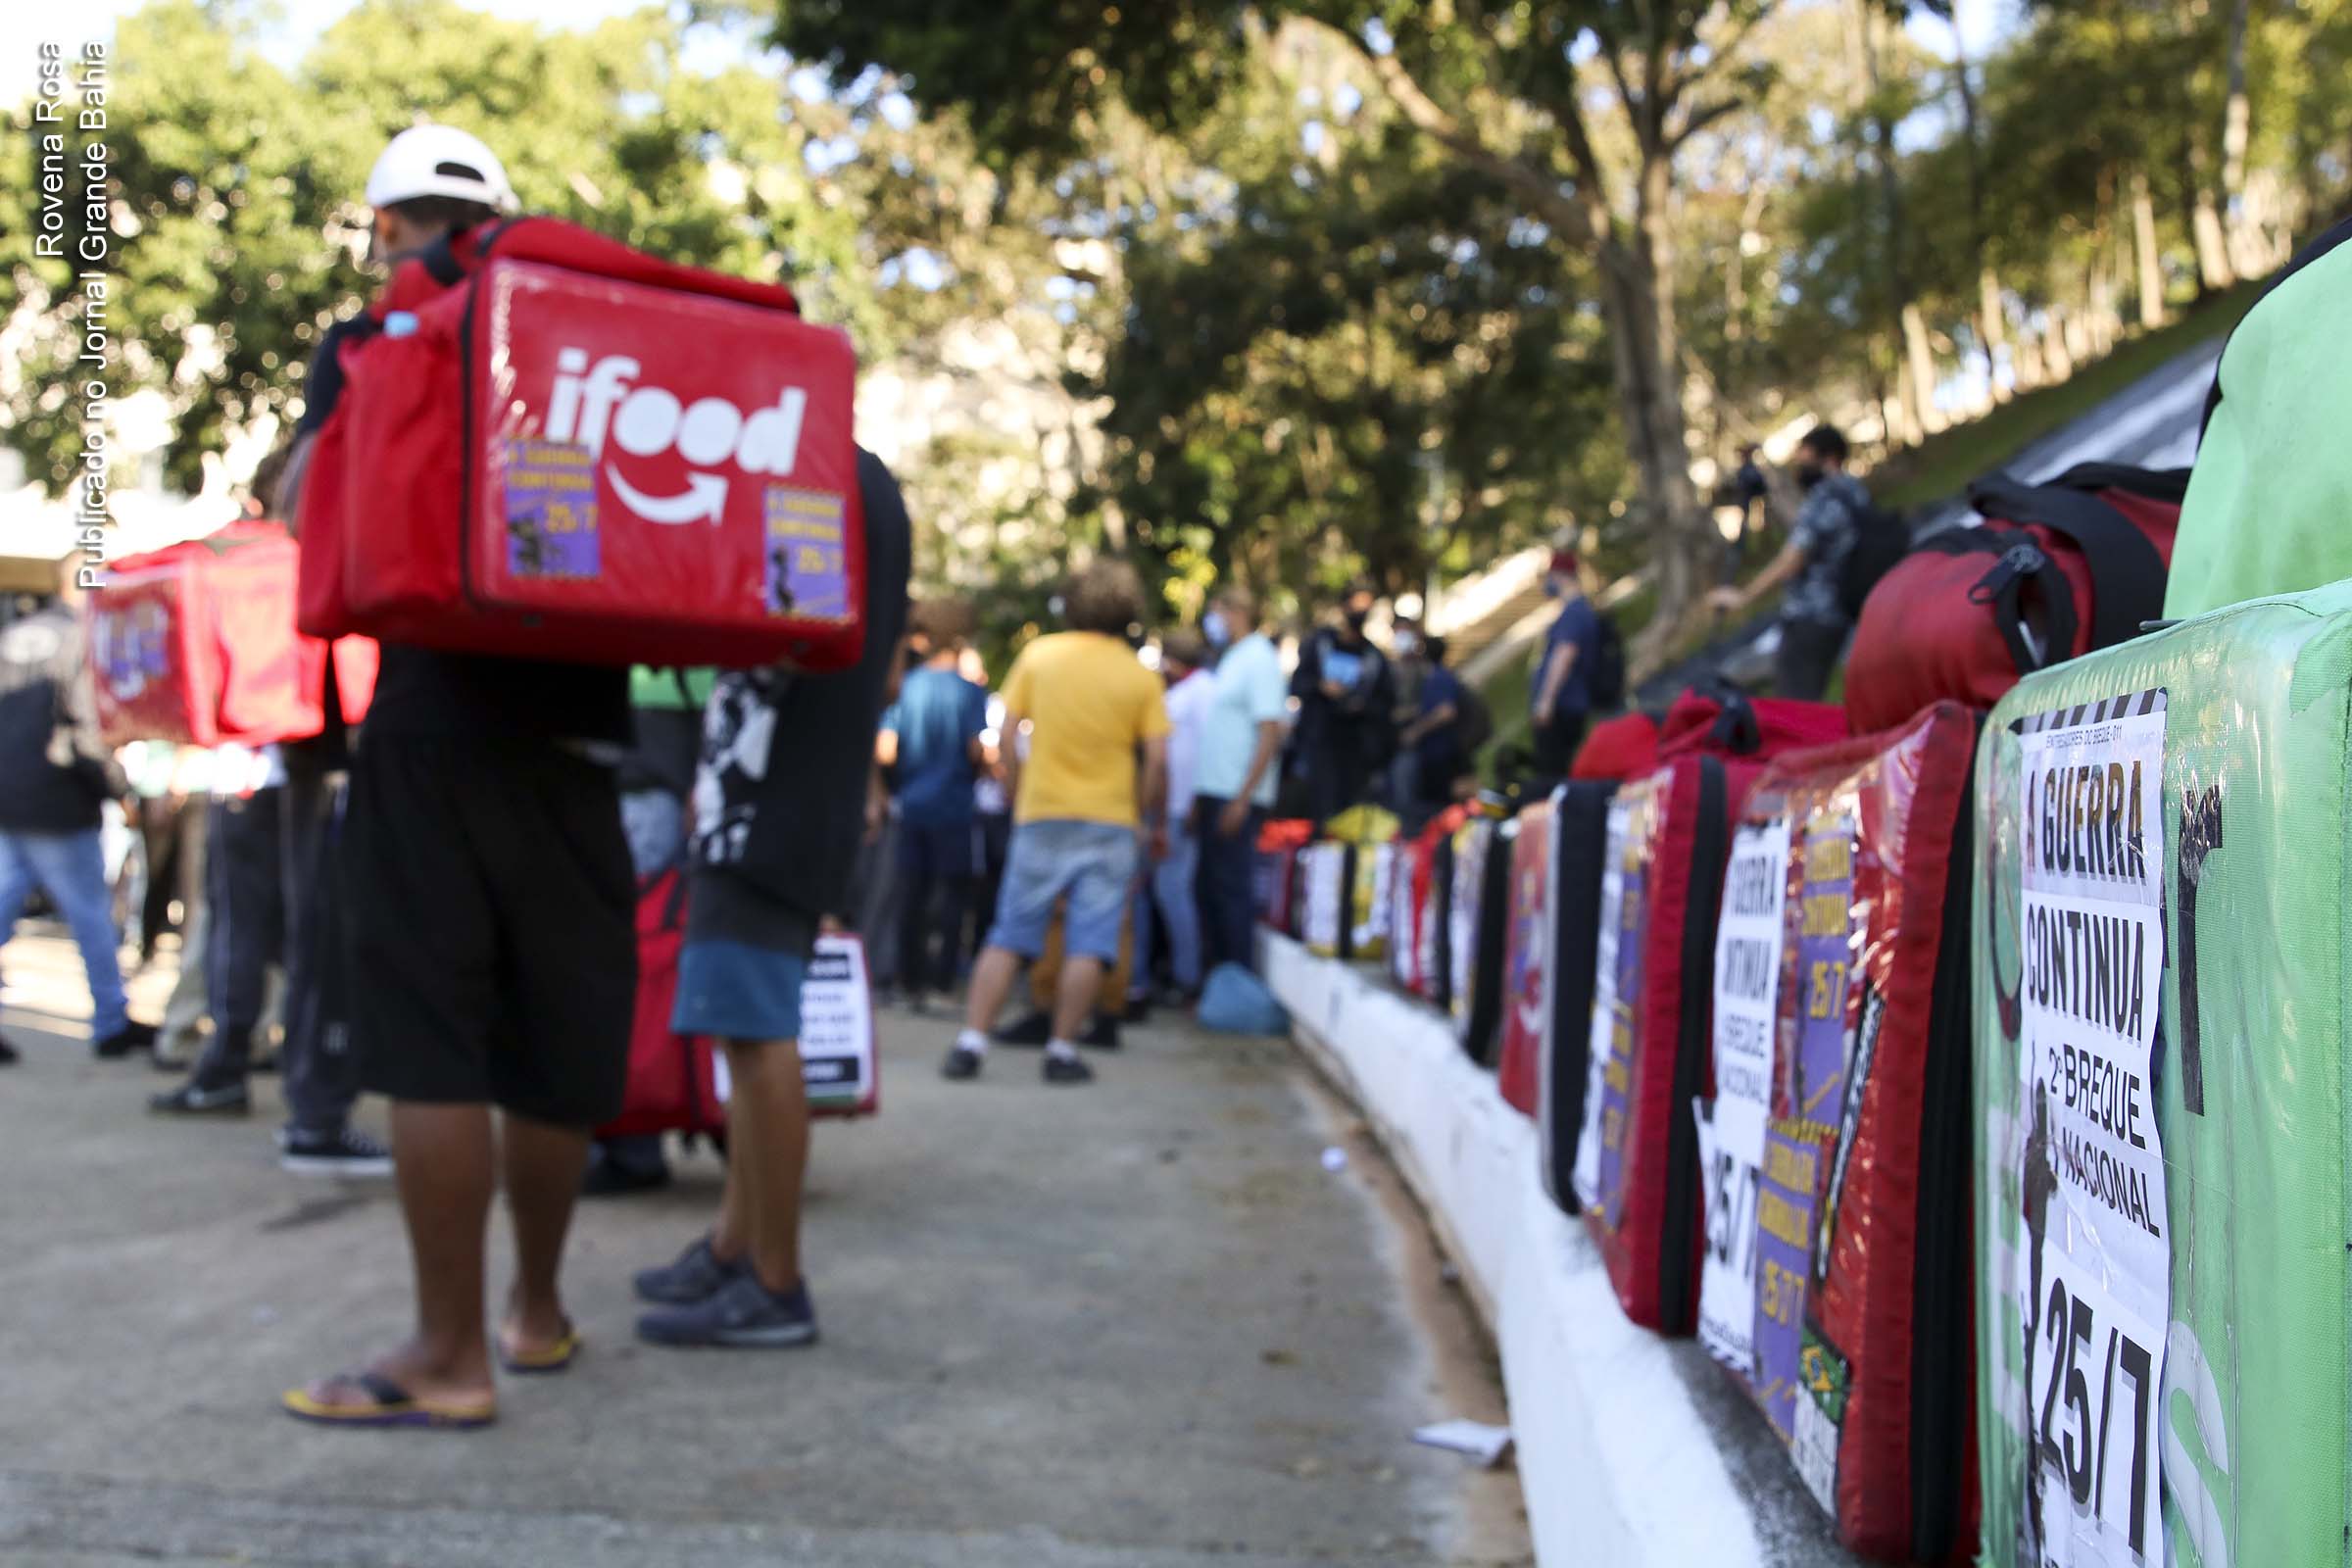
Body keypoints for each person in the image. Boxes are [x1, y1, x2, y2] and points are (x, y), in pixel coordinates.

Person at [279, 124, 636, 1428]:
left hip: (430, 730)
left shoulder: (380, 335)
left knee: (436, 1050)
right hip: (587, 738)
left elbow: (299, 508)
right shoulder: (573, 328)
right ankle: (535, 1314)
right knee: (553, 1046)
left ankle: (447, 1354)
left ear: (388, 225)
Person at [631, 447, 911, 1348]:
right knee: (744, 1033)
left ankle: (774, 1282)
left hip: (770, 808)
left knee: (756, 1036)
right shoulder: (839, 479)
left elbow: (787, 628)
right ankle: (736, 1248)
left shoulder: (821, 480)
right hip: (767, 799)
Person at [941, 561, 1168, 1086]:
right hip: (1111, 820)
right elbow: (1156, 760)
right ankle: (1062, 1049)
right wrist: (1144, 815)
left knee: (1010, 933)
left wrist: (1017, 792)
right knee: (1090, 941)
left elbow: (1006, 734)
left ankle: (971, 1042)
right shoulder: (1139, 675)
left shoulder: (1040, 657)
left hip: (1042, 814)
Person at [0, 559, 155, 1062]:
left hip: (11, 795)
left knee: (5, 909)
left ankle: (112, 1019)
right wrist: (119, 787)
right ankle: (111, 1023)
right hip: (59, 800)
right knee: (90, 915)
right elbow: (87, 727)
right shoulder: (82, 639)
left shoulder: (15, 635)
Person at [580, 664, 715, 1199]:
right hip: (663, 789)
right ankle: (642, 1129)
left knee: (633, 964)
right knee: (652, 964)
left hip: (643, 788)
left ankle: (632, 1138)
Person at [876, 602, 988, 1014]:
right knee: (954, 896)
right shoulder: (969, 692)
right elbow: (977, 748)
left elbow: (885, 750)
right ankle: (942, 982)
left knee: (912, 895)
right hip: (955, 807)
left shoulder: (905, 686)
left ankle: (909, 980)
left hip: (913, 806)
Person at [1705, 423, 1871, 702]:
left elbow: (1792, 559)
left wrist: (1743, 596)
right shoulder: (1853, 492)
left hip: (1813, 618)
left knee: (1793, 709)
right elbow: (1803, 523)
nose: (1799, 465)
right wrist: (1768, 472)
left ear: (1829, 459)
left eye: (1805, 459)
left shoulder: (1823, 499)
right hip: (1847, 611)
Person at [1190, 584, 1288, 973]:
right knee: (1208, 888)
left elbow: (1270, 731)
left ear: (1236, 611)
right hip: (1216, 792)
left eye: (1218, 610)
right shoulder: (1233, 657)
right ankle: (1218, 980)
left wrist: (1243, 797)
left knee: (1231, 890)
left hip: (1236, 796)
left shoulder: (1260, 659)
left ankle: (1236, 981)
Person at [1128, 630, 1212, 1009]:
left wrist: (1195, 802)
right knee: (1146, 894)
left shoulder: (1201, 692)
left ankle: (1186, 978)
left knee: (1172, 893)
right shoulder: (1180, 694)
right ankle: (1140, 978)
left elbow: (1206, 750)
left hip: (1176, 811)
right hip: (1162, 810)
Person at [1290, 584, 1391, 829]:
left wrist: (1361, 705)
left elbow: (1386, 704)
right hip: (1318, 744)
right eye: (1357, 605)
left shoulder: (1374, 657)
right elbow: (1298, 685)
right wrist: (1320, 687)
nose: (1361, 612)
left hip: (1354, 751)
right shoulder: (1319, 644)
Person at [1530, 551, 1601, 778]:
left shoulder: (1575, 612)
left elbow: (1564, 655)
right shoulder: (1577, 610)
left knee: (1553, 772)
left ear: (1561, 576)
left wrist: (1546, 701)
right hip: (1568, 705)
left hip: (1564, 706)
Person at [1395, 634, 1468, 825]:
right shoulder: (1433, 678)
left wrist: (1416, 731)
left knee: (1445, 806)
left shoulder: (1440, 678)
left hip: (1442, 754)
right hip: (1434, 753)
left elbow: (1446, 711)